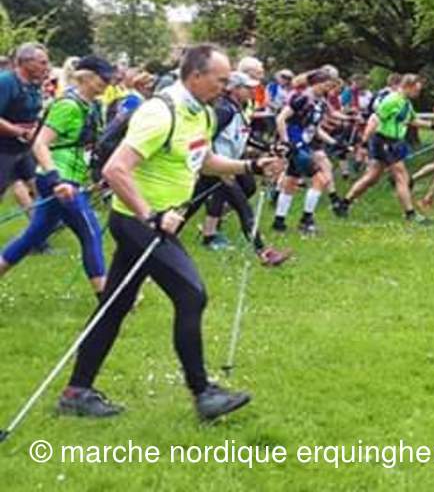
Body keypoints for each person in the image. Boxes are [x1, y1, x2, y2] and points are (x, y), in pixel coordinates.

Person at [57, 44, 283, 421]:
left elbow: (203, 161)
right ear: (196, 75)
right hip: (139, 223)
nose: (226, 87)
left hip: (150, 222)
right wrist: (151, 215)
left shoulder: (203, 113)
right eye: (220, 80)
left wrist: (251, 166)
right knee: (191, 294)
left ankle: (76, 391)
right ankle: (203, 394)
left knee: (115, 305)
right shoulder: (161, 112)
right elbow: (115, 170)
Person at [0, 56, 114, 296]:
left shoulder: (91, 106)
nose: (107, 83)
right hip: (60, 181)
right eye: (103, 78)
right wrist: (56, 181)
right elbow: (40, 144)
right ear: (87, 77)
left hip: (72, 178)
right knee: (90, 231)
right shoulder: (68, 106)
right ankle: (106, 296)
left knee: (33, 236)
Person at [196, 72, 286, 265]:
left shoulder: (239, 108)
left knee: (192, 204)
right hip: (219, 167)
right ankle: (263, 252)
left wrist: (269, 147)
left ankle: (204, 235)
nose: (252, 91)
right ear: (234, 89)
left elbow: (245, 135)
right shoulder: (224, 110)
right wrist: (215, 165)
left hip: (230, 164)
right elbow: (205, 137)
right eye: (247, 88)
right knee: (243, 207)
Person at [336, 75, 432, 221]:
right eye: (416, 90)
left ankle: (344, 204)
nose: (418, 93)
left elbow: (412, 120)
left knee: (372, 177)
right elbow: (374, 119)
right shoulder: (392, 100)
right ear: (408, 86)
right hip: (384, 141)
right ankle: (410, 214)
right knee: (401, 176)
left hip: (394, 142)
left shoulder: (405, 102)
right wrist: (364, 143)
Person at [273, 70, 341, 235]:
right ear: (316, 83)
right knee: (321, 180)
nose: (328, 89)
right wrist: (286, 142)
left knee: (291, 181)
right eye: (326, 85)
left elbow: (315, 129)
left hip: (304, 145)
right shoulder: (302, 98)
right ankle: (306, 221)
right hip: (295, 145)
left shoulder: (321, 103)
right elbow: (280, 119)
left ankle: (279, 222)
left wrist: (335, 143)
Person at [0, 42, 50, 214]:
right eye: (42, 62)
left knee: (40, 187)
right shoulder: (6, 82)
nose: (46, 67)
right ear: (26, 62)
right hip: (3, 149)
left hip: (24, 148)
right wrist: (19, 131)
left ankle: (39, 228)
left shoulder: (34, 85)